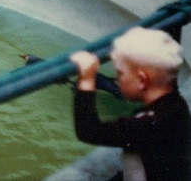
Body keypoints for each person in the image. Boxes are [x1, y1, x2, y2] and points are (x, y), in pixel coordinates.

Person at [70, 27, 191, 181]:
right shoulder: (176, 104)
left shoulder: (144, 125)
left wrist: (87, 78)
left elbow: (88, 131)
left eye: (120, 73)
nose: (117, 79)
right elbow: (169, 71)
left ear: (142, 80)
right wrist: (172, 25)